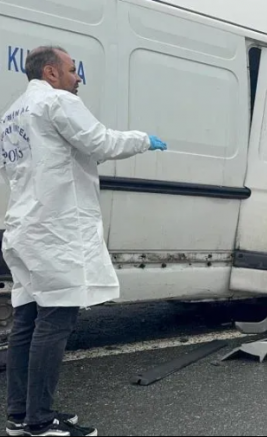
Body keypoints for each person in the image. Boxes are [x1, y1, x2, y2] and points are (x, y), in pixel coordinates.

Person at [0, 46, 168, 436]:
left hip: (23, 229)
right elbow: (102, 142)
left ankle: (20, 415)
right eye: (73, 70)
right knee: (55, 321)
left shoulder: (11, 114)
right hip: (54, 230)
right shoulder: (57, 102)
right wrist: (144, 139)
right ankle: (39, 423)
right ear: (51, 72)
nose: (78, 78)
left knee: (27, 320)